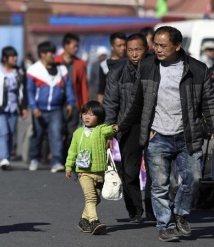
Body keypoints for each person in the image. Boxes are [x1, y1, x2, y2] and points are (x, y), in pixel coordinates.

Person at [118, 26, 214, 242]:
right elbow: (136, 102)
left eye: (163, 45)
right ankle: (165, 225)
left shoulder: (198, 69)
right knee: (159, 184)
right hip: (157, 136)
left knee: (193, 178)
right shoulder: (147, 66)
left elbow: (209, 103)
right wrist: (120, 126)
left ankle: (180, 214)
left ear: (177, 46)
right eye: (156, 45)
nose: (157, 49)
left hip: (188, 136)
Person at [103, 33, 155, 223]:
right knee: (129, 171)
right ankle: (135, 211)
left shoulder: (155, 68)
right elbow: (110, 103)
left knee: (155, 170)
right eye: (130, 49)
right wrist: (109, 131)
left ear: (146, 49)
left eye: (138, 49)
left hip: (153, 124)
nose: (134, 54)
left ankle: (152, 209)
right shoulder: (117, 71)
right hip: (127, 126)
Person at [65, 101, 118, 235]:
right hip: (84, 172)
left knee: (96, 198)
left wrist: (115, 128)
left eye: (91, 114)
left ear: (99, 117)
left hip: (99, 172)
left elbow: (109, 129)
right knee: (90, 198)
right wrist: (68, 166)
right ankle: (94, 221)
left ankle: (83, 220)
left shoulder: (101, 130)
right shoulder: (78, 133)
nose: (87, 117)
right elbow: (72, 150)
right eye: (84, 114)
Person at [26, 41, 76, 172]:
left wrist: (71, 102)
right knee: (38, 135)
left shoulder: (61, 69)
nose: (52, 55)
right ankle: (34, 158)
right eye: (49, 53)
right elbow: (29, 91)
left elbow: (68, 88)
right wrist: (33, 107)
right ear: (42, 54)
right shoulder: (33, 70)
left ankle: (57, 161)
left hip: (56, 109)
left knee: (56, 135)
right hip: (39, 109)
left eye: (53, 52)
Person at [0, 46, 28, 170]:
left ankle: (6, 154)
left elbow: (23, 91)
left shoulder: (19, 72)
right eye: (12, 56)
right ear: (5, 58)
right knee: (3, 132)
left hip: (13, 108)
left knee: (11, 133)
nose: (15, 59)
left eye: (16, 56)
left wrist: (24, 108)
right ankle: (4, 158)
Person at [54, 33, 89, 160]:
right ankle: (57, 155)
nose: (76, 48)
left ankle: (67, 157)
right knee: (57, 131)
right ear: (66, 46)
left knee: (72, 132)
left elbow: (83, 86)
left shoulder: (80, 64)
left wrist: (85, 105)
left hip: (74, 103)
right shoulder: (55, 62)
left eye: (77, 46)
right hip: (57, 103)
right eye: (74, 46)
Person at [97, 32, 126, 103]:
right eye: (119, 45)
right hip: (111, 104)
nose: (123, 48)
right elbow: (101, 89)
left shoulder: (131, 62)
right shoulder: (104, 65)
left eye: (124, 45)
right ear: (112, 46)